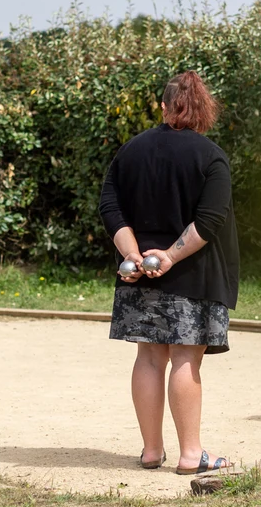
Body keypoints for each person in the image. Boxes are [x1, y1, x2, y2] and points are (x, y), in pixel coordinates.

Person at [98, 71, 240, 475]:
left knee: (147, 356)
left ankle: (150, 451)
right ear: (203, 110)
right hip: (191, 274)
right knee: (184, 360)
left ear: (162, 106)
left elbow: (110, 207)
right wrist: (171, 257)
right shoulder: (211, 156)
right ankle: (192, 456)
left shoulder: (131, 150)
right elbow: (210, 220)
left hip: (137, 273)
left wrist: (135, 255)